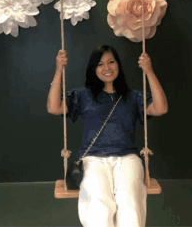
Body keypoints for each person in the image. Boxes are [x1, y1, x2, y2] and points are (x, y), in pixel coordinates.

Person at [47, 45, 168, 227]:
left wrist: (149, 72)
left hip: (127, 158)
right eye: (100, 64)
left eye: (111, 62)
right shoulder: (83, 95)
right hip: (93, 159)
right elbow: (54, 107)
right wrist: (58, 71)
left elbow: (161, 108)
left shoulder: (133, 97)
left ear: (118, 65)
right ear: (93, 69)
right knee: (99, 205)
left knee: (129, 202)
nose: (107, 68)